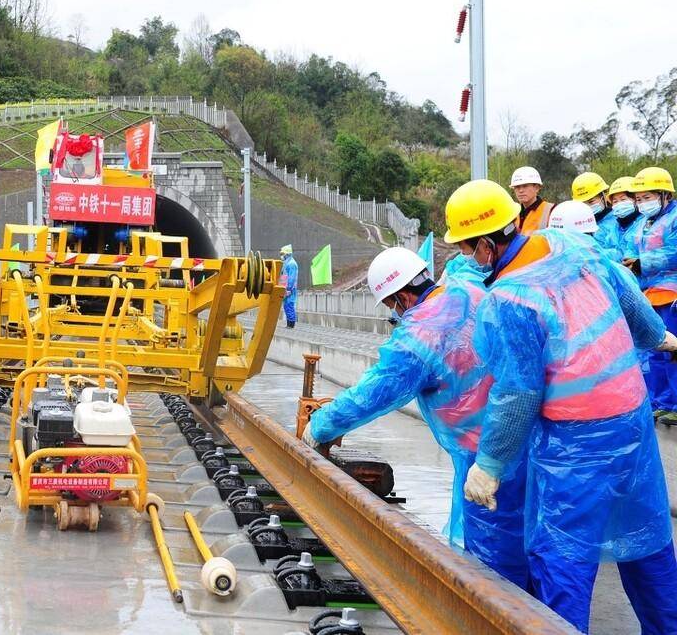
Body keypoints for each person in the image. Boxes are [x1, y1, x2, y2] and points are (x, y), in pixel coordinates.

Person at [445, 179, 677, 634]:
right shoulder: (569, 244)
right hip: (632, 421)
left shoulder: (509, 298)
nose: (469, 257)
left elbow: (518, 393)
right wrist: (657, 336)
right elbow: (626, 291)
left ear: (487, 244)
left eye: (468, 248)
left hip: (576, 443)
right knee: (645, 538)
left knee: (562, 555)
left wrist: (489, 465)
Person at [303, 247, 529, 589]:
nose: (394, 314)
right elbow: (465, 264)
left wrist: (321, 425)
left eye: (391, 305)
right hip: (525, 431)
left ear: (402, 297)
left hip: (485, 454)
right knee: (530, 545)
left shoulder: (418, 338)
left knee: (492, 561)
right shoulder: (466, 288)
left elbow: (373, 394)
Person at [624, 167, 677, 420]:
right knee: (655, 349)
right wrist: (629, 263)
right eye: (639, 198)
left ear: (665, 195)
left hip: (671, 294)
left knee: (673, 351)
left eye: (648, 197)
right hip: (649, 293)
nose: (643, 203)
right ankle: (662, 402)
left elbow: (674, 251)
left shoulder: (675, 218)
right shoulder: (643, 222)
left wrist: (642, 262)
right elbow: (630, 247)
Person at [570, 171, 617, 253]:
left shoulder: (618, 221)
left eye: (591, 201)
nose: (587, 207)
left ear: (603, 196)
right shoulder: (578, 224)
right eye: (583, 203)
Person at [607, 175, 642, 262]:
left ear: (636, 199)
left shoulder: (643, 223)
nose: (619, 204)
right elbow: (608, 247)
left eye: (623, 199)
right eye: (615, 201)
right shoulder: (616, 226)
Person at [509, 166, 553, 235]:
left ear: (537, 188)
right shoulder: (513, 214)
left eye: (525, 186)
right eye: (517, 187)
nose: (520, 190)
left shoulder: (551, 211)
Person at [280, 245, 298, 328]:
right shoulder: (287, 263)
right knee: (286, 306)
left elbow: (291, 278)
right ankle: (289, 323)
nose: (282, 256)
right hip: (286, 288)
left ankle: (291, 324)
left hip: (290, 289)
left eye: (283, 254)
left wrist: (289, 289)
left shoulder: (291, 264)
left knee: (289, 305)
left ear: (287, 254)